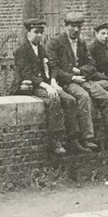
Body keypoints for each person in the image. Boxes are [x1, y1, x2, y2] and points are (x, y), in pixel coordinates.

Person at [10, 18, 85, 156]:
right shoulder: (22, 51)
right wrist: (47, 87)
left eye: (41, 32)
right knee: (53, 100)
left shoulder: (42, 49)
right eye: (36, 32)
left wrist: (54, 83)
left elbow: (52, 68)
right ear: (28, 33)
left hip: (45, 84)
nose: (39, 35)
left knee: (70, 100)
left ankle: (72, 139)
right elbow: (28, 74)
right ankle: (55, 141)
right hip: (29, 86)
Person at [46, 11, 108, 153]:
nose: (76, 30)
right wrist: (71, 77)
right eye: (72, 26)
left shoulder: (81, 43)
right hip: (65, 82)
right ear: (65, 26)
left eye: (79, 27)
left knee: (107, 97)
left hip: (82, 79)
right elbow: (54, 68)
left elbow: (91, 64)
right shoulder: (55, 43)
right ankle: (87, 138)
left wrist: (80, 71)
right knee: (83, 97)